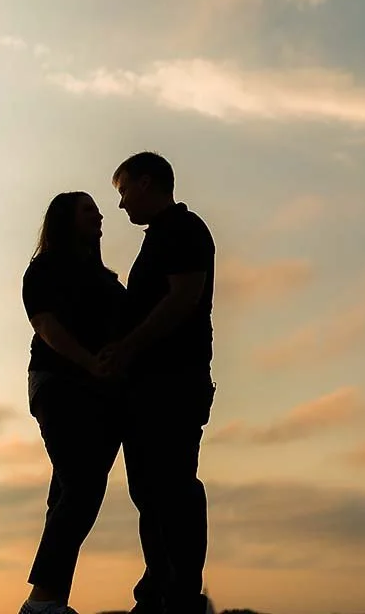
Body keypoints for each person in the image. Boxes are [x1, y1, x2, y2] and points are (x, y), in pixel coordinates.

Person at [99, 152, 216, 614]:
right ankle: (159, 589)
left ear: (146, 183)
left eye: (124, 190)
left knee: (172, 487)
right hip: (151, 385)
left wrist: (128, 347)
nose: (122, 203)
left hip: (173, 382)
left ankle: (178, 593)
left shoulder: (183, 230)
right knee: (150, 490)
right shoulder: (163, 236)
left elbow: (183, 298)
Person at [19, 191, 128, 614]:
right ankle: (41, 603)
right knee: (81, 488)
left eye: (98, 210)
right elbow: (46, 326)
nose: (99, 215)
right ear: (65, 219)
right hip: (60, 386)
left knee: (72, 494)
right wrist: (88, 362)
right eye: (88, 209)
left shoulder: (109, 282)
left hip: (104, 394)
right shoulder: (44, 270)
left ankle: (50, 602)